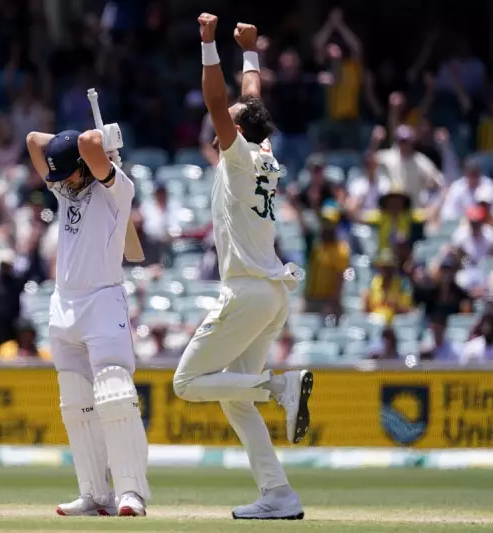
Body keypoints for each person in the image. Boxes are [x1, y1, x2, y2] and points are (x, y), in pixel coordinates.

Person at [172, 16, 310, 521]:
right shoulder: (266, 152)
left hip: (248, 291)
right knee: (235, 399)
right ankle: (279, 495)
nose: (219, 125)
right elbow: (249, 104)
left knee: (186, 384)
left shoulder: (240, 159)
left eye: (227, 122)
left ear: (237, 132)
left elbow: (218, 102)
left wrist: (208, 44)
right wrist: (249, 53)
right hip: (270, 293)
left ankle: (280, 387)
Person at [25, 132, 150, 512]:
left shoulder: (118, 189)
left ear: (86, 164)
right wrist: (70, 144)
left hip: (102, 302)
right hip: (63, 305)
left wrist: (101, 142)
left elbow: (92, 142)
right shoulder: (66, 189)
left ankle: (131, 493)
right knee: (75, 405)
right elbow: (33, 140)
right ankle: (95, 494)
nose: (62, 182)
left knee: (115, 397)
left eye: (69, 173)